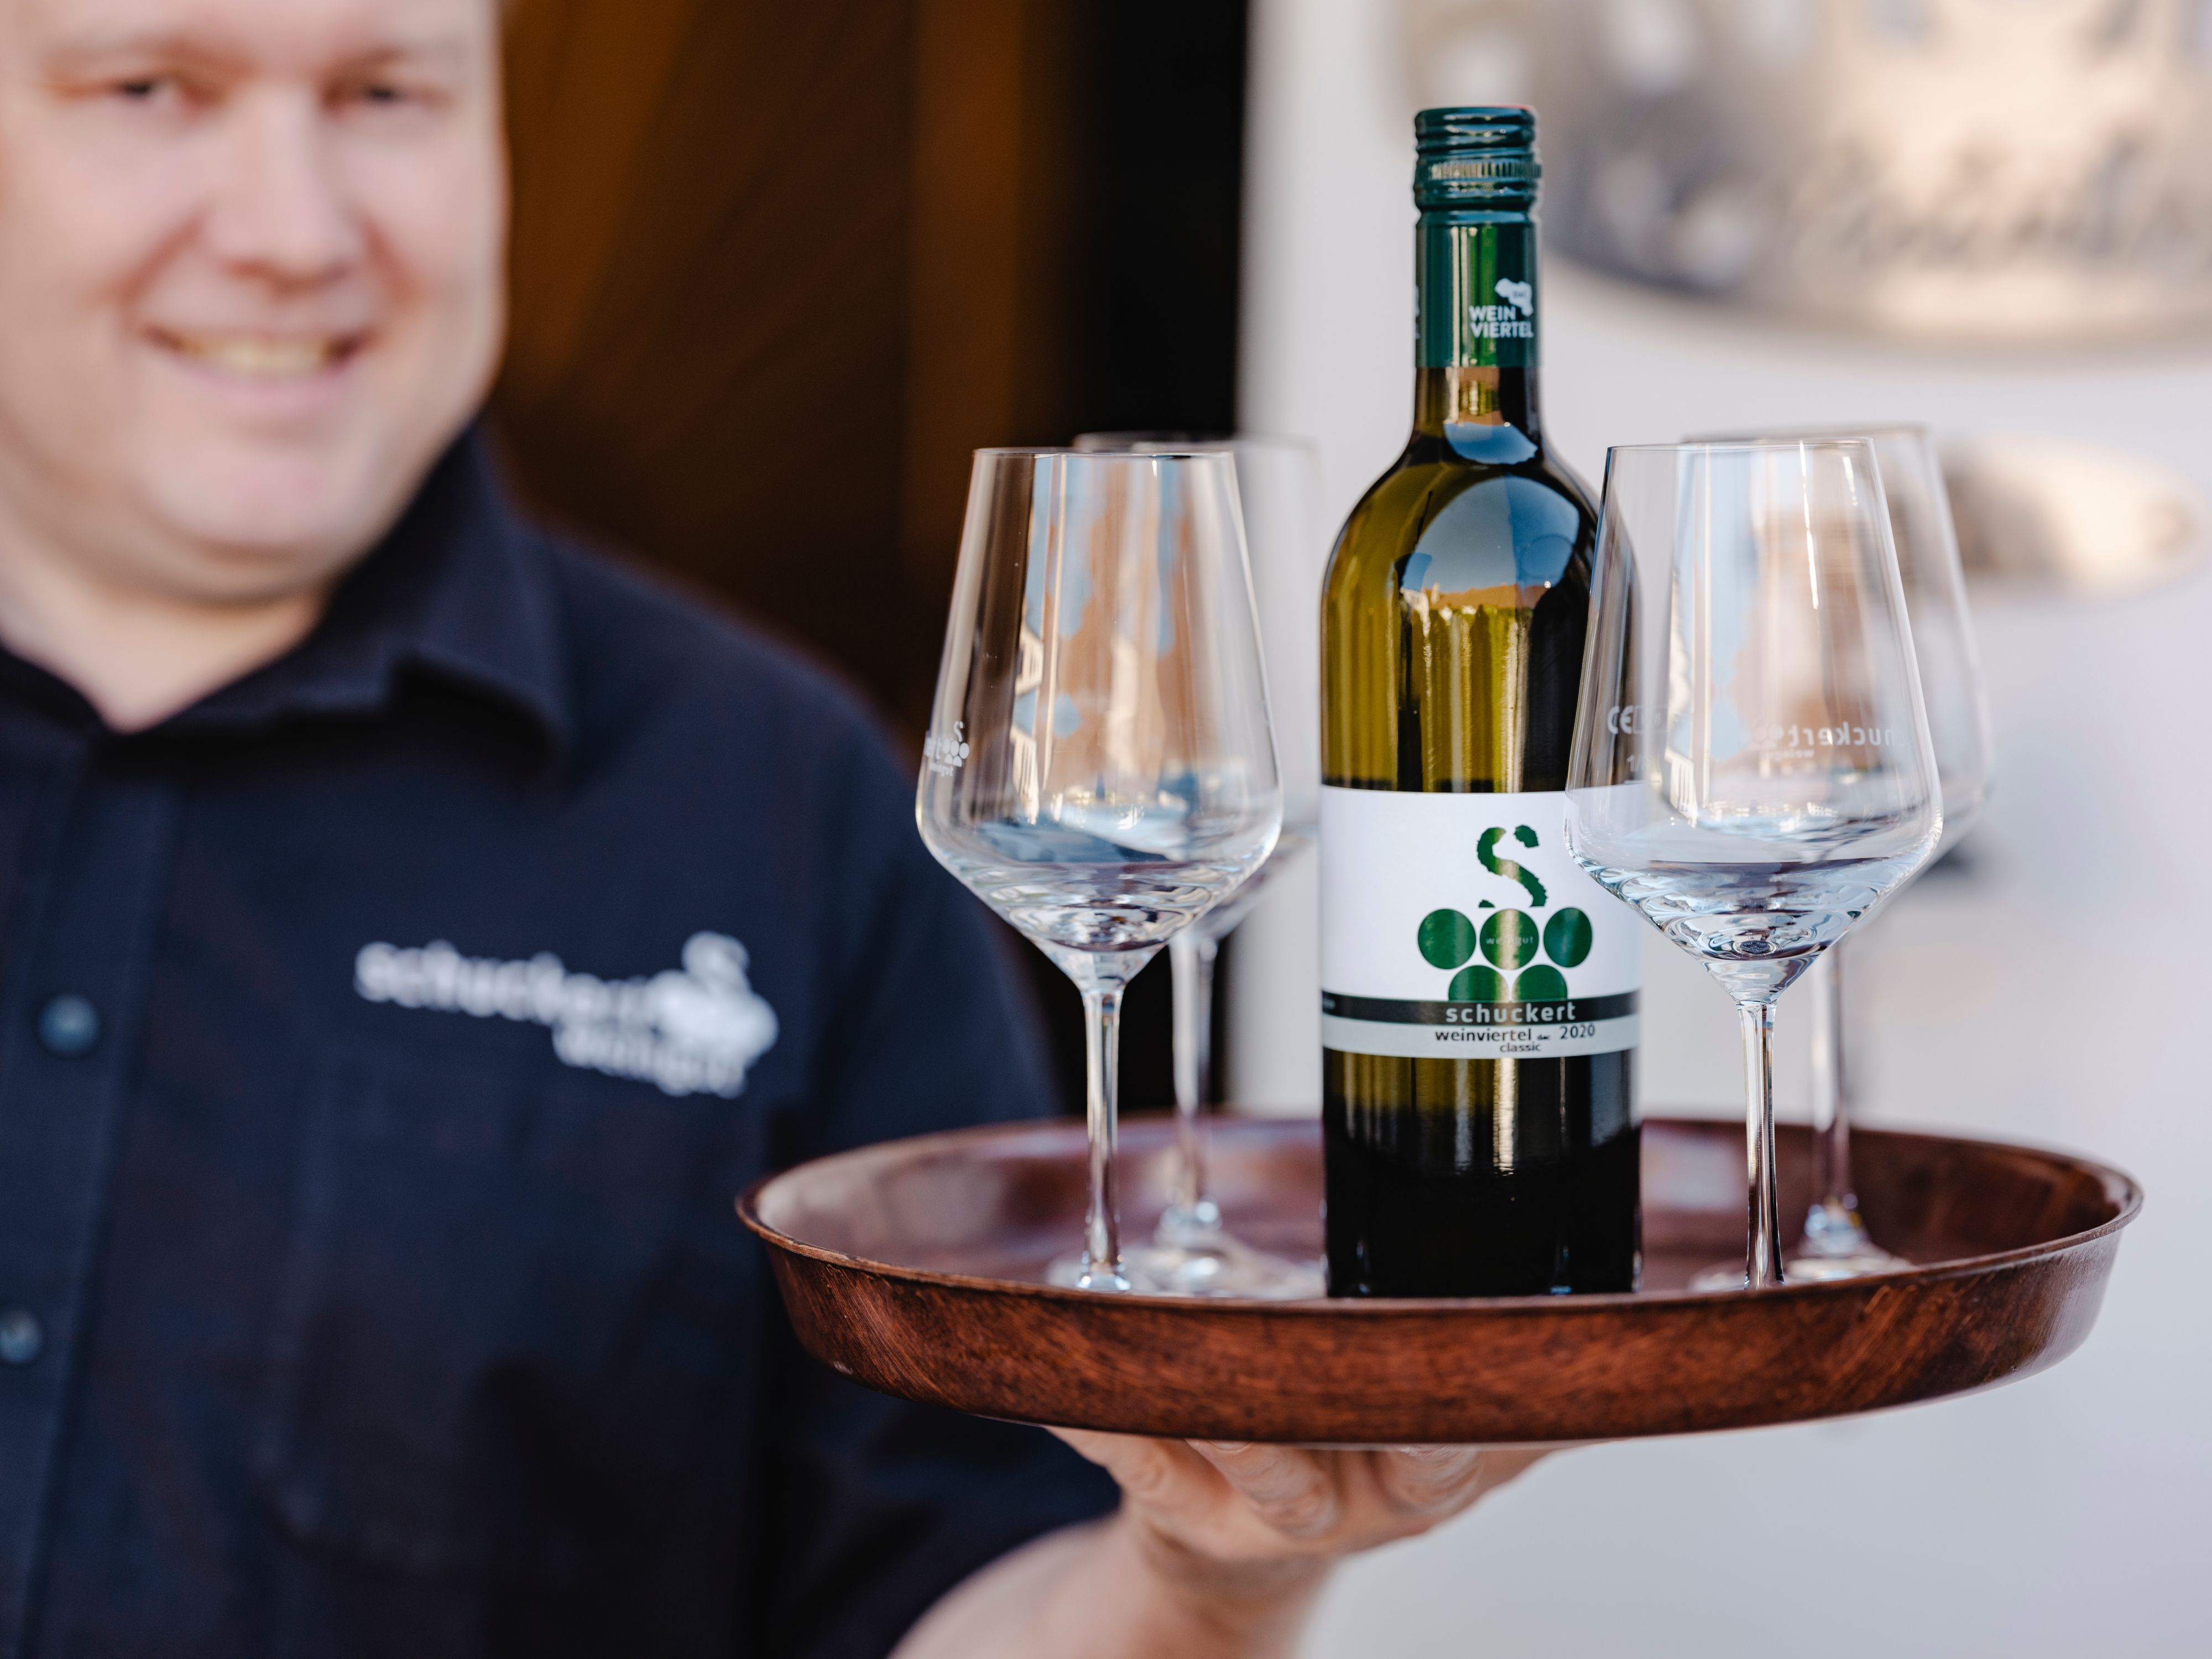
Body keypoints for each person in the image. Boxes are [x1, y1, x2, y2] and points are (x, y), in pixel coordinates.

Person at [0, 1, 1543, 1654]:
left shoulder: (784, 799)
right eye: (152, 88)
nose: (292, 233)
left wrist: (1212, 1573)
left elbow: (955, 1597)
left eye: (386, 94)